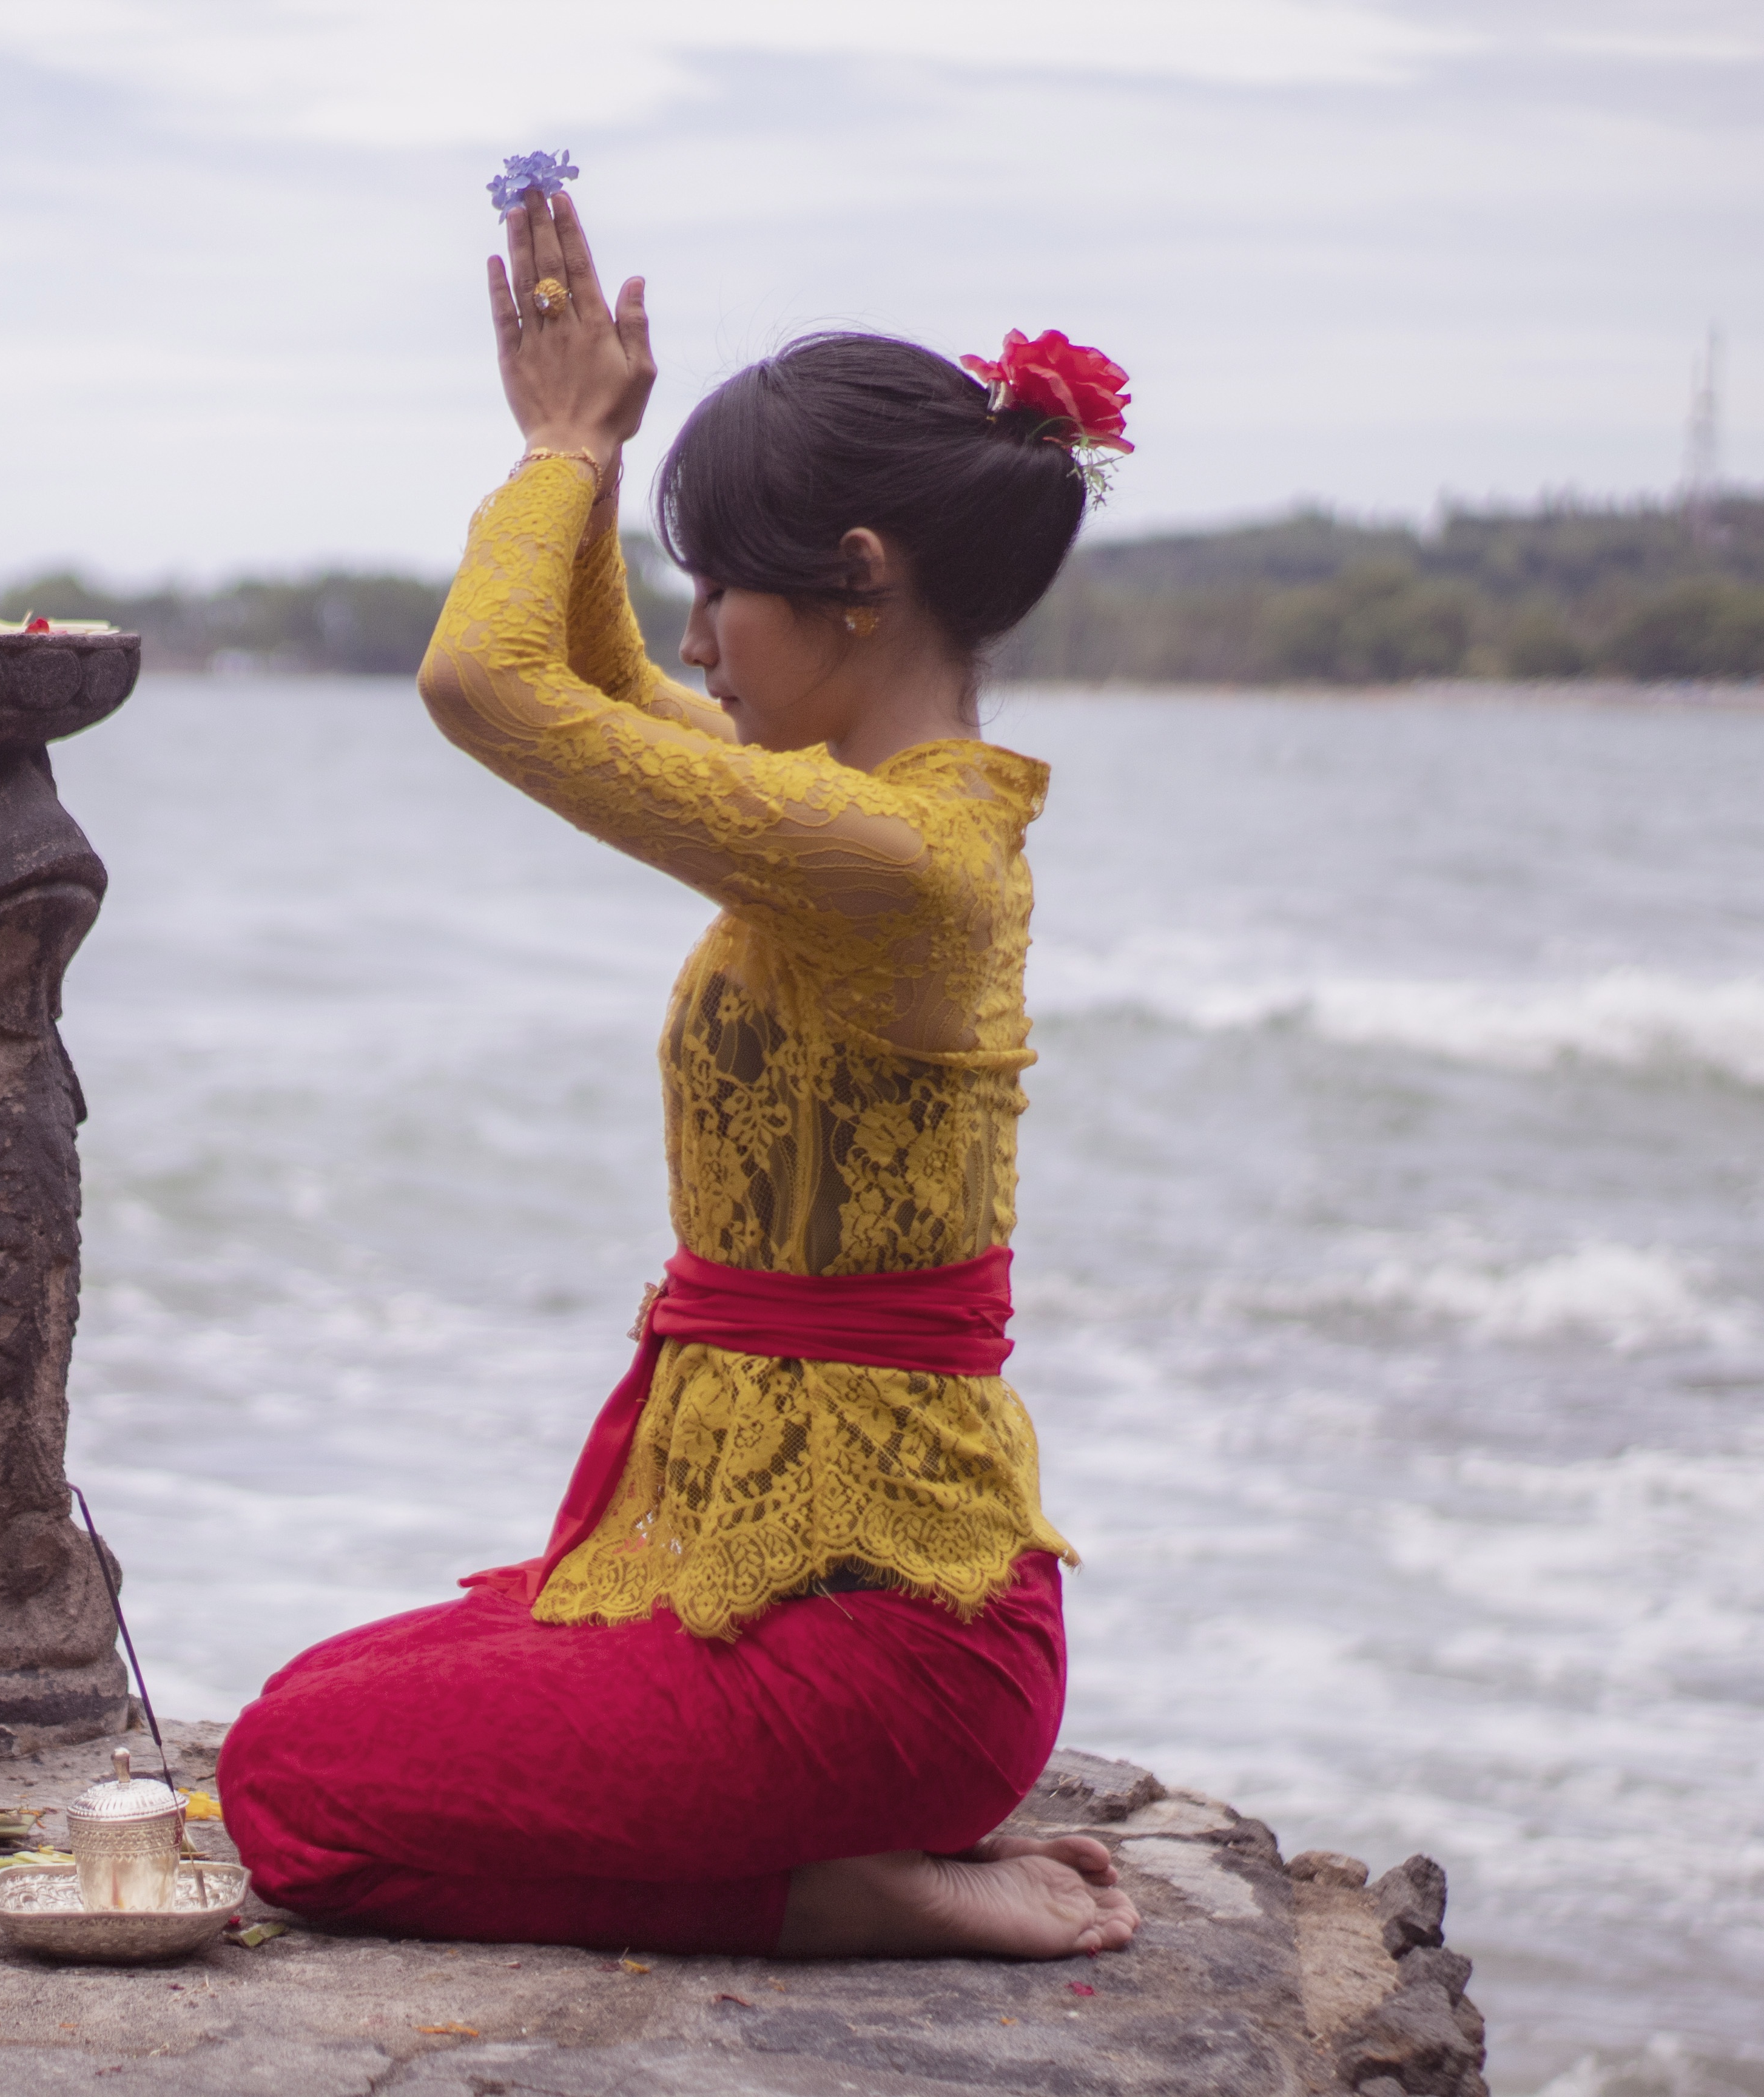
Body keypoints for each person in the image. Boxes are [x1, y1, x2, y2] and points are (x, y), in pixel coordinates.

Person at [214, 191, 1142, 1960]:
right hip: (761, 1572)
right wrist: (582, 446)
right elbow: (582, 669)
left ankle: (830, 1892)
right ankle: (830, 1865)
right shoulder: (833, 809)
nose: (699, 634)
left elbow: (483, 681)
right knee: (322, 1696)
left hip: (894, 1646)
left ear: (860, 578)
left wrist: (564, 448)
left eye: (721, 588)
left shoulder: (897, 860)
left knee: (293, 1784)